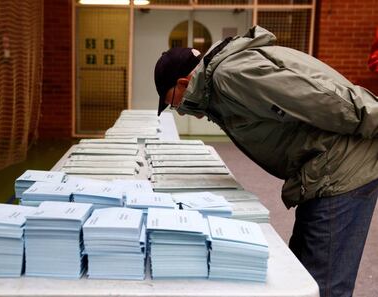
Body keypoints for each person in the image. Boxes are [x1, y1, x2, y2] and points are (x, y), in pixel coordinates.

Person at [154, 26, 378, 297]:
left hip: (341, 168)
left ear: (182, 84)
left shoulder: (232, 75)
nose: (180, 111)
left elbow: (322, 99)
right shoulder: (221, 82)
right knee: (301, 279)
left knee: (324, 286)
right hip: (319, 171)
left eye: (174, 104)